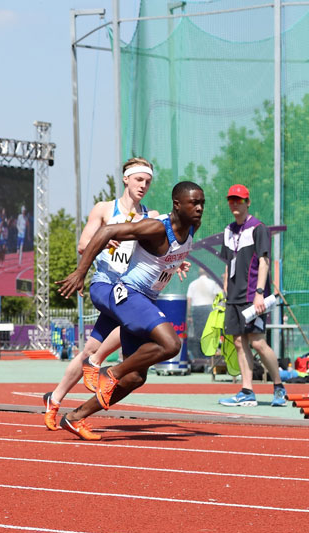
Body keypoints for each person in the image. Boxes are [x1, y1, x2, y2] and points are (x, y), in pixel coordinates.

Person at [56, 181, 203, 441]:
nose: (200, 208)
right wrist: (80, 272)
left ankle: (75, 417)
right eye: (194, 203)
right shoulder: (156, 228)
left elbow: (169, 258)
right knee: (171, 344)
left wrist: (175, 265)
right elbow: (106, 232)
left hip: (146, 301)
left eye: (202, 202)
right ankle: (110, 372)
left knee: (135, 377)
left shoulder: (192, 227)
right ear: (177, 205)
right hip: (129, 295)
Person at [42, 158, 159, 431]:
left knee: (89, 348)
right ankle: (95, 365)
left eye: (148, 182)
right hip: (107, 284)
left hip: (130, 289)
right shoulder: (105, 209)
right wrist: (105, 238)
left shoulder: (150, 216)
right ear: (126, 179)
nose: (143, 185)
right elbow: (84, 244)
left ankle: (55, 399)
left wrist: (176, 261)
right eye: (139, 179)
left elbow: (161, 249)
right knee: (126, 324)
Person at [217, 184, 286, 407]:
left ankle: (279, 387)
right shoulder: (228, 231)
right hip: (234, 297)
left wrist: (259, 293)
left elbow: (264, 261)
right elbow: (229, 263)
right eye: (231, 200)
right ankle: (247, 391)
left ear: (248, 202)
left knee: (257, 342)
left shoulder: (259, 228)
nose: (235, 203)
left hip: (252, 294)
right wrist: (225, 287)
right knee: (238, 342)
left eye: (239, 199)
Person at [185, 271, 222, 366]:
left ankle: (199, 360)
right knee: (209, 334)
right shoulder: (212, 283)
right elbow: (217, 298)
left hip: (197, 310)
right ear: (208, 274)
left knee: (198, 335)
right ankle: (209, 359)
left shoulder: (192, 284)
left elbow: (189, 301)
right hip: (209, 309)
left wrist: (189, 315)